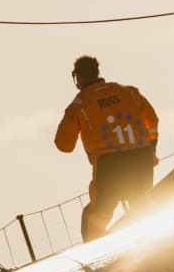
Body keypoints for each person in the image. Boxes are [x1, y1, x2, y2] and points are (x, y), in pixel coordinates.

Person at [55, 55, 159, 241]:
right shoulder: (128, 92)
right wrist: (151, 149)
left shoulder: (79, 104)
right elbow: (152, 121)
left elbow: (64, 145)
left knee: (95, 216)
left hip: (110, 165)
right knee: (142, 207)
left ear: (78, 76)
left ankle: (94, 254)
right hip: (142, 157)